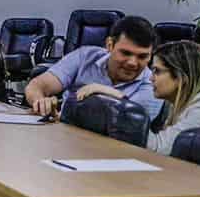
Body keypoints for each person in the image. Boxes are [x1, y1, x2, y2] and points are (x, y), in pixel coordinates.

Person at [25, 15, 163, 122]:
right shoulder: (85, 56)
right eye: (125, 53)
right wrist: (41, 102)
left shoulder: (153, 85)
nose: (133, 63)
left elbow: (128, 123)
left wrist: (102, 90)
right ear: (109, 45)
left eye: (142, 56)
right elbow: (37, 85)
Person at [139, 41, 200, 154]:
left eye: (157, 71)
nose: (151, 78)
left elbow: (158, 149)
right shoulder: (179, 104)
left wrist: (126, 116)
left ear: (182, 77)